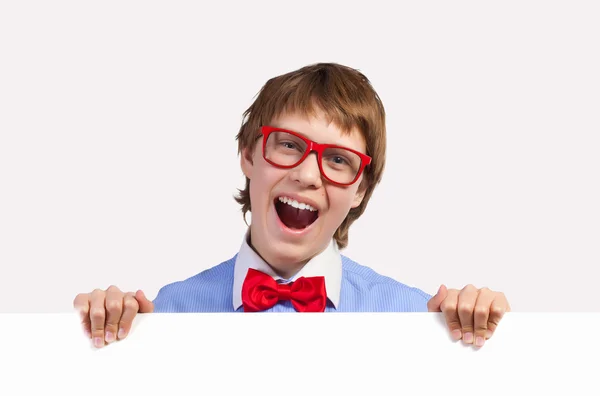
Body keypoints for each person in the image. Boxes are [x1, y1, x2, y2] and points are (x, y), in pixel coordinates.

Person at [74, 62, 510, 349]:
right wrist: (97, 337)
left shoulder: (419, 318)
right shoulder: (167, 313)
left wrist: (488, 337)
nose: (307, 174)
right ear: (247, 154)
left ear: (360, 188)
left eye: (338, 160)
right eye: (288, 145)